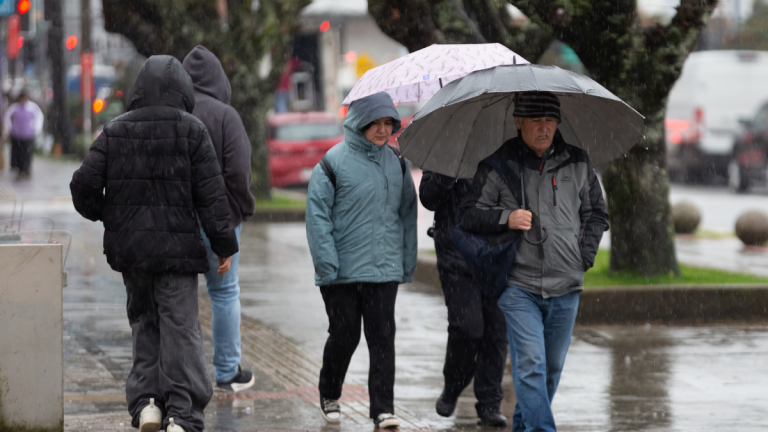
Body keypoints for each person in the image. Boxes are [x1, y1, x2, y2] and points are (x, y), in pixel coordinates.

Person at [70, 55, 239, 432]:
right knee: (181, 331)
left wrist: (111, 215)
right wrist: (223, 243)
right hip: (177, 256)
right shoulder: (192, 131)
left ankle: (147, 403)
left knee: (144, 324)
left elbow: (82, 185)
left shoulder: (115, 130)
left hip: (132, 255)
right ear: (183, 90)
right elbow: (212, 197)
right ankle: (183, 412)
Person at [459, 91, 609, 432]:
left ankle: (524, 427)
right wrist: (506, 218)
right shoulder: (498, 165)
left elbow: (597, 214)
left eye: (550, 121)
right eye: (536, 121)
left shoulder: (578, 162)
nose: (545, 128)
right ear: (518, 122)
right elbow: (468, 216)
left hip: (566, 284)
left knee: (551, 368)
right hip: (518, 284)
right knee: (530, 366)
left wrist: (583, 256)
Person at [305, 92, 418, 429]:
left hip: (384, 270)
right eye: (377, 123)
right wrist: (327, 265)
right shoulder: (331, 163)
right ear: (359, 123)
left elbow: (407, 215)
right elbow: (317, 217)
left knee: (383, 338)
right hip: (340, 273)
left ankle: (383, 408)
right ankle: (329, 391)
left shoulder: (398, 163)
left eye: (389, 123)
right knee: (345, 335)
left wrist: (406, 262)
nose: (384, 130)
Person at [183, 45, 257, 393]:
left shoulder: (174, 112)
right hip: (221, 221)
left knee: (179, 298)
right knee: (225, 294)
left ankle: (184, 373)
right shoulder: (227, 116)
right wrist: (241, 209)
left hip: (179, 221)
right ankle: (227, 372)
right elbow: (238, 173)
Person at [419, 172, 508, 427]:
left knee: (496, 332)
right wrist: (447, 176)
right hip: (457, 256)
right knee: (468, 328)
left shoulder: (506, 148)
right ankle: (453, 385)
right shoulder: (449, 149)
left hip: (498, 255)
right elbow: (428, 198)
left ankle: (490, 402)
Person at [4, 89, 44, 179]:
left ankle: (26, 169)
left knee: (26, 153)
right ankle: (18, 169)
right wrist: (9, 128)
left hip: (28, 135)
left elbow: (39, 118)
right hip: (16, 135)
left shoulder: (33, 108)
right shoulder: (14, 108)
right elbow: (7, 117)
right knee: (17, 153)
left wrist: (36, 129)